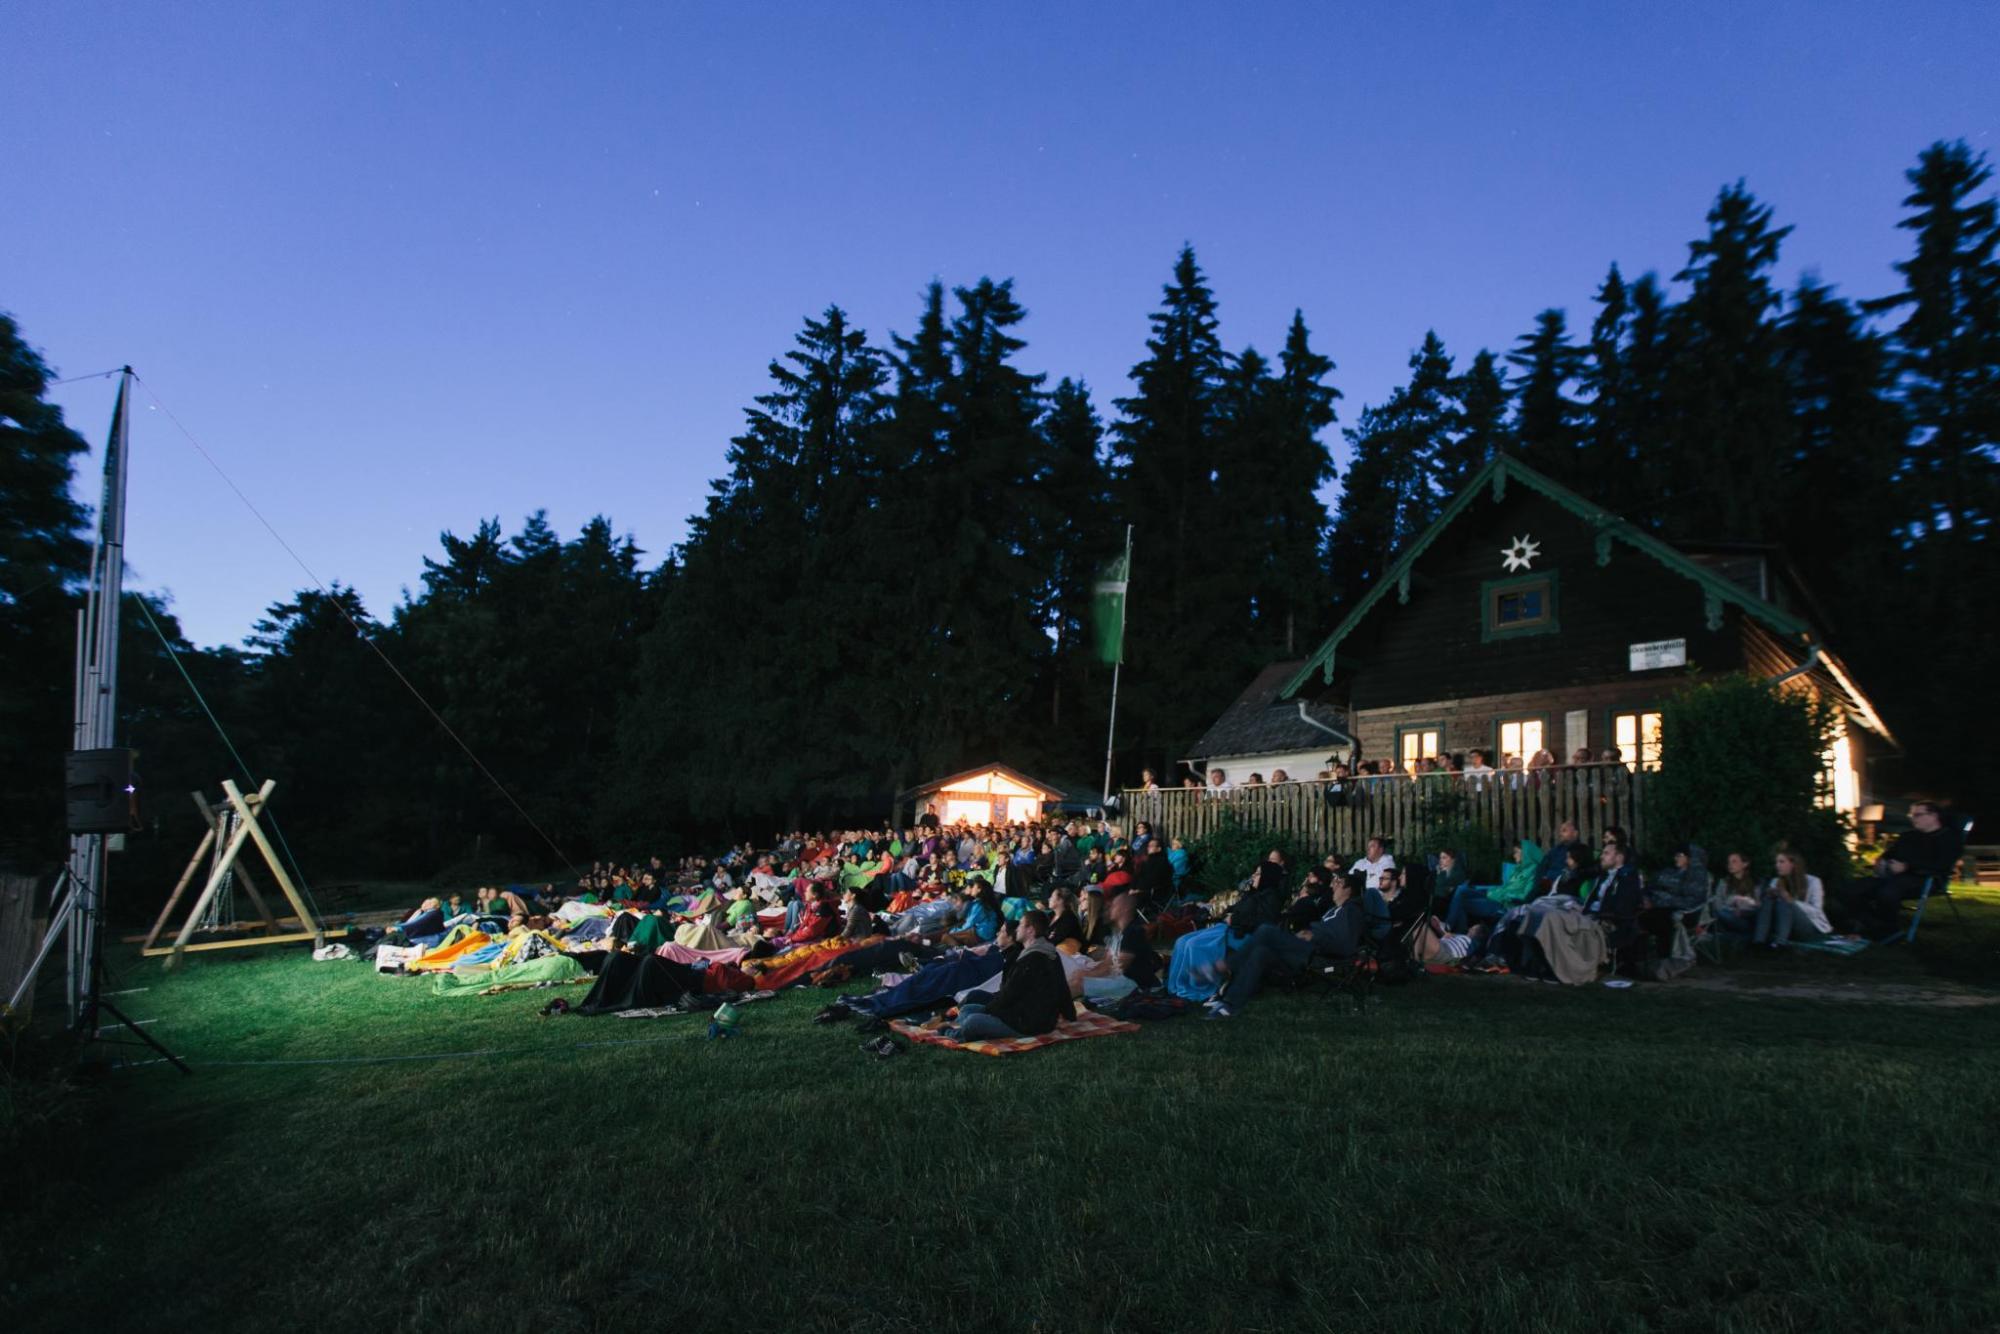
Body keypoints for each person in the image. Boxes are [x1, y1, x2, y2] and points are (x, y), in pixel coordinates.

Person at [1206, 876, 1363, 1018]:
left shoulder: (1350, 911)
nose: (1333, 886)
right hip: (1305, 950)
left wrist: (1315, 936)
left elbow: (1344, 945)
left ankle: (1226, 965)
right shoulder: (1335, 909)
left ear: (1348, 889)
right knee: (1260, 952)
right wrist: (1307, 933)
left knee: (1266, 930)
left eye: (1339, 883)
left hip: (1318, 956)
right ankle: (1229, 1003)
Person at [942, 911, 1075, 1041]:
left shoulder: (1032, 959)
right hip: (1023, 1015)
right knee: (968, 1009)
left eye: (1021, 924)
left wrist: (987, 1012)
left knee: (973, 1020)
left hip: (1026, 1024)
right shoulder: (1046, 952)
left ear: (1031, 930)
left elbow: (1008, 995)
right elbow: (1062, 986)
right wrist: (1070, 1015)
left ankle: (953, 1034)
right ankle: (963, 1026)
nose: (1017, 929)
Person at [1858, 802, 1962, 936]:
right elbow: (1889, 854)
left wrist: (1907, 867)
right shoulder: (1908, 836)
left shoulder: (1949, 838)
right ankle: (1869, 924)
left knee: (1887, 892)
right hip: (1893, 876)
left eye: (1917, 815)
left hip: (1925, 879)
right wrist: (1881, 861)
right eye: (1911, 815)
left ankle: (1888, 931)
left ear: (1933, 816)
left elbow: (1942, 865)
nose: (1913, 818)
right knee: (1853, 888)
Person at [1754, 850, 1831, 949]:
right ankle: (1758, 941)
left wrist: (1792, 901)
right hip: (1784, 925)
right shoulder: (1776, 881)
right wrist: (1768, 896)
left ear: (1793, 864)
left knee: (1785, 902)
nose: (1777, 865)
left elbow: (1816, 911)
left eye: (1781, 862)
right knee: (1769, 899)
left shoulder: (1813, 882)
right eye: (1776, 862)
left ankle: (1780, 943)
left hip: (1809, 927)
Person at [1712, 851, 1761, 934]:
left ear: (1745, 864)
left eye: (1734, 861)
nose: (1730, 865)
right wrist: (1732, 908)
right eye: (1729, 862)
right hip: (1729, 915)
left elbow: (1757, 905)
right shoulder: (1724, 882)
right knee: (1720, 913)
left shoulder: (1754, 882)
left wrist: (1742, 911)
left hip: (1747, 919)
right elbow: (1718, 904)